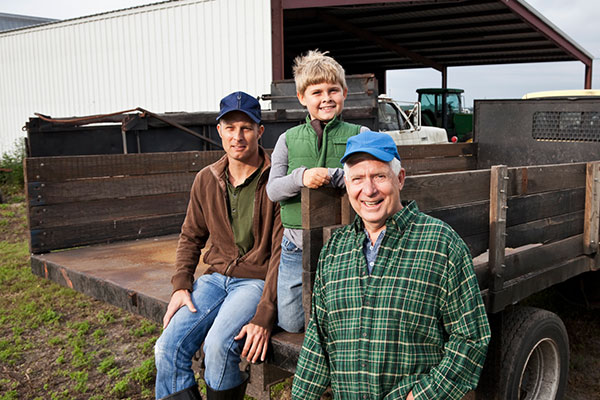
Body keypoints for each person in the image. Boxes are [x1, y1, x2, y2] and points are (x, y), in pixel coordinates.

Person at [292, 131, 491, 399]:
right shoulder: (335, 250)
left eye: (379, 176)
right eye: (358, 179)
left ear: (400, 179)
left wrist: (421, 397)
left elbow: (471, 337)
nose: (369, 190)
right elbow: (318, 340)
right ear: (348, 185)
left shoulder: (440, 243)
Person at [154, 91, 283, 400]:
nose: (238, 136)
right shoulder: (206, 179)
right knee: (166, 347)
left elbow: (280, 252)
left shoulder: (275, 181)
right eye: (230, 127)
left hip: (254, 281)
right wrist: (181, 284)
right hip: (214, 279)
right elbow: (190, 236)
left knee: (218, 346)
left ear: (259, 131)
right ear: (219, 131)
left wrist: (266, 311)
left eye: (246, 128)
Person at [267, 50, 368, 333]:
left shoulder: (359, 134)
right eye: (317, 92)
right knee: (291, 322)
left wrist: (333, 176)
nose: (326, 98)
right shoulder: (287, 139)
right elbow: (273, 191)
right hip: (295, 243)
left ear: (344, 93)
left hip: (345, 241)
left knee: (342, 315)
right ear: (302, 97)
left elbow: (369, 178)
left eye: (333, 90)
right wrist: (301, 177)